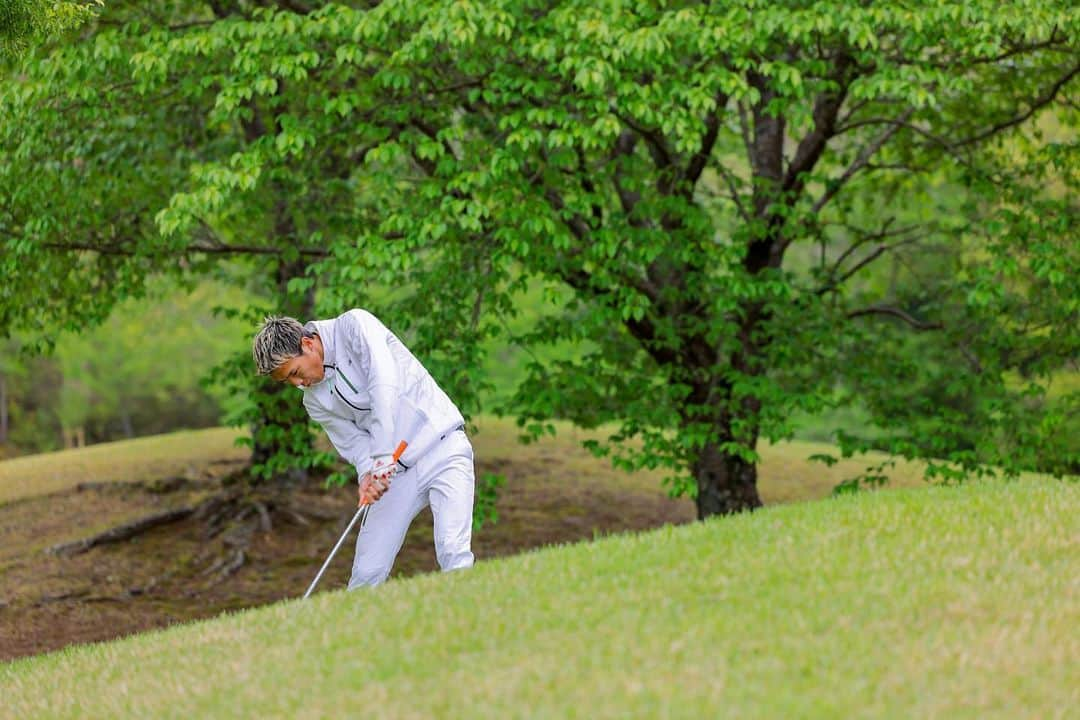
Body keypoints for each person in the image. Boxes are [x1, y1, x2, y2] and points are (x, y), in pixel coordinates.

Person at [251, 310, 475, 588]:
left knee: (454, 551)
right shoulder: (313, 401)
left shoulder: (354, 326)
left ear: (308, 344)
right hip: (396, 474)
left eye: (295, 372)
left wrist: (381, 456)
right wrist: (368, 473)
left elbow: (384, 383)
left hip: (443, 446)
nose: (298, 384)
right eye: (288, 381)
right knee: (366, 574)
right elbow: (354, 445)